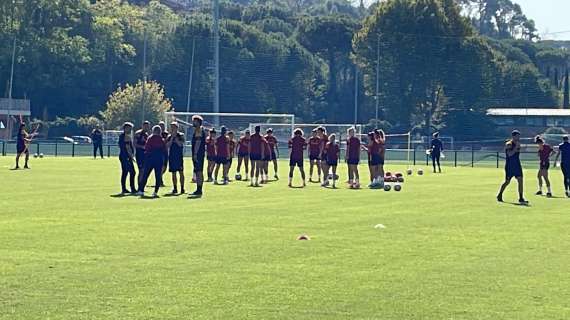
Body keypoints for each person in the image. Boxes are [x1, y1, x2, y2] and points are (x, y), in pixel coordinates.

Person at [497, 130, 528, 204]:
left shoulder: (518, 143)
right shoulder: (509, 144)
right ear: (513, 136)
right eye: (517, 136)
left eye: (519, 136)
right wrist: (516, 148)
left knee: (520, 180)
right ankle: (500, 194)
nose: (518, 137)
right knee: (507, 182)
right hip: (510, 166)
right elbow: (510, 154)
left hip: (517, 165)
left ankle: (521, 198)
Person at [137, 125, 167, 198]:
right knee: (158, 176)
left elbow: (146, 148)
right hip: (159, 159)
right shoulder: (161, 139)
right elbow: (164, 150)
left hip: (150, 159)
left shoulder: (150, 138)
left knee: (145, 175)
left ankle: (141, 190)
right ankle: (155, 192)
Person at [166, 122, 185, 194]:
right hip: (172, 156)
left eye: (174, 127)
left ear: (177, 128)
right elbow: (167, 146)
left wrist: (176, 139)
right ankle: (175, 188)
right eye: (171, 127)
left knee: (181, 172)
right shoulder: (169, 136)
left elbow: (181, 144)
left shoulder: (181, 135)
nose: (172, 129)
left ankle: (182, 188)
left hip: (179, 157)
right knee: (173, 173)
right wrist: (171, 138)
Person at [118, 122, 136, 194]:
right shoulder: (125, 137)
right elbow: (127, 147)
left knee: (125, 172)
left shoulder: (123, 136)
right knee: (132, 172)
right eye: (129, 128)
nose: (130, 129)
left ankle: (124, 189)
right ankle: (132, 188)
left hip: (124, 156)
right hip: (126, 157)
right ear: (125, 128)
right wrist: (131, 157)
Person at [191, 115, 206, 196]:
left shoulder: (199, 130)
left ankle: (199, 189)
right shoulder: (198, 130)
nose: (193, 122)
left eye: (194, 121)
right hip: (199, 154)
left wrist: (195, 153)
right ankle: (198, 188)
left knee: (199, 171)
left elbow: (198, 142)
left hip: (198, 154)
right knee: (197, 171)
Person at [158, 121, 169, 187]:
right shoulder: (156, 133)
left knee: (164, 168)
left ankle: (159, 178)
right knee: (160, 167)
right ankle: (160, 180)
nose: (162, 127)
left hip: (165, 152)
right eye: (160, 125)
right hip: (159, 152)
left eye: (163, 125)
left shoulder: (166, 133)